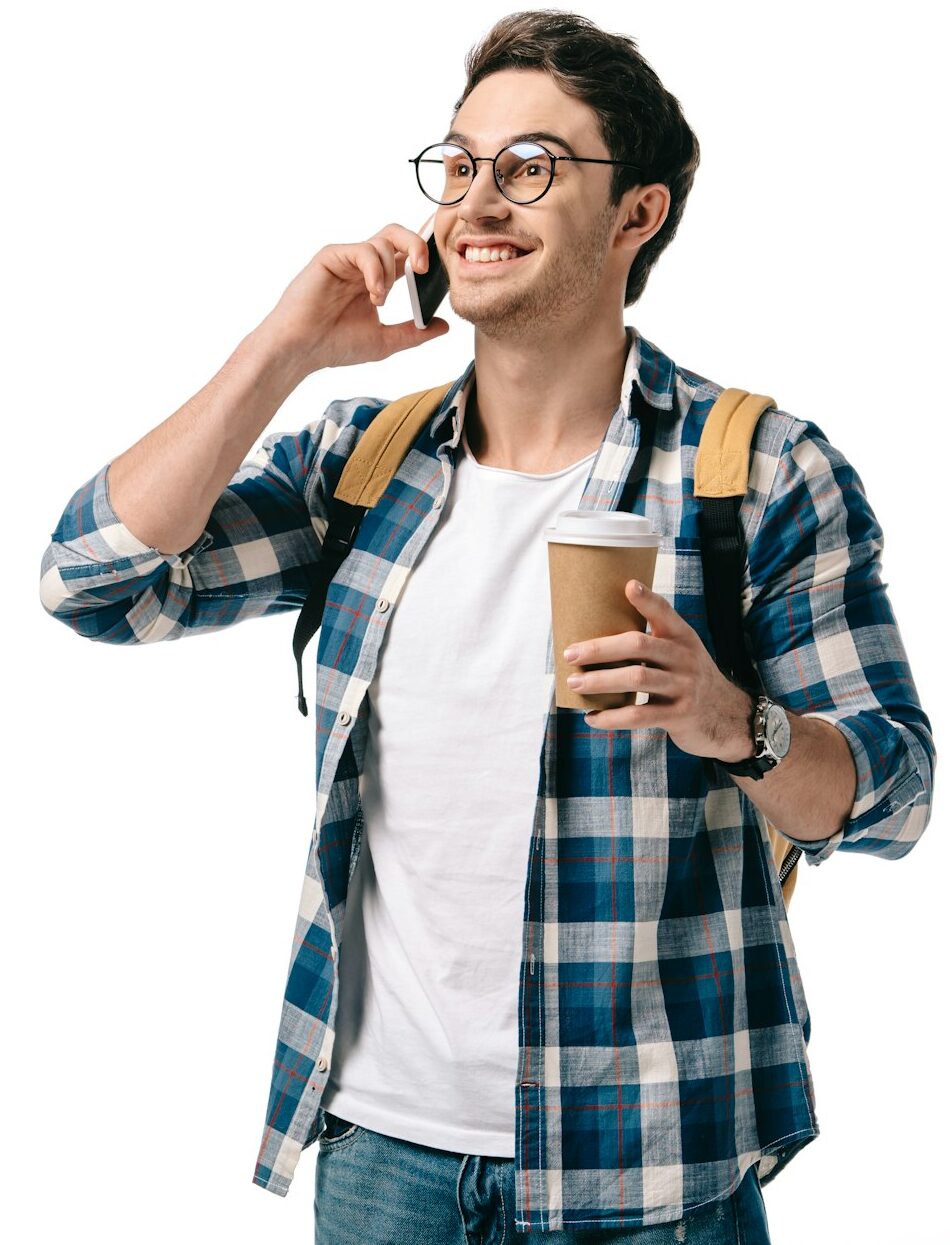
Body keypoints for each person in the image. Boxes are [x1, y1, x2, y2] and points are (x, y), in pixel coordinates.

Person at [39, 10, 935, 1244]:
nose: (475, 202)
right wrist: (283, 349)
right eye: (459, 165)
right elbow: (91, 582)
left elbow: (893, 795)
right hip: (378, 1161)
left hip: (652, 1167)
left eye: (530, 168)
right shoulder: (363, 464)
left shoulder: (757, 471)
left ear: (636, 216)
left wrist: (733, 722)